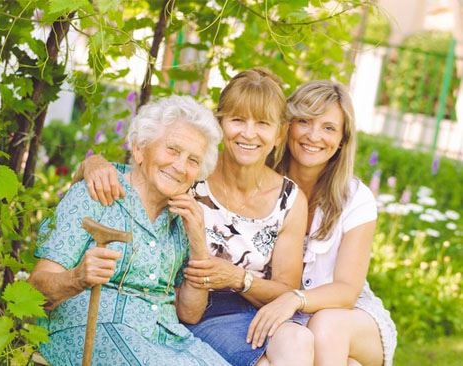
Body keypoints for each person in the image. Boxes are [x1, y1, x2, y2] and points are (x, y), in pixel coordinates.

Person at [78, 68, 310, 366]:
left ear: (279, 134)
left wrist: (238, 278)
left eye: (262, 124)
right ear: (221, 123)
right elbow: (134, 179)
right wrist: (91, 163)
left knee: (299, 340)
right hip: (191, 312)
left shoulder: (288, 199)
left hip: (256, 312)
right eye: (238, 120)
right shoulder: (191, 173)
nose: (249, 133)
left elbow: (285, 290)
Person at [30, 95, 230, 365]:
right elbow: (35, 289)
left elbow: (190, 314)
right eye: (172, 150)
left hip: (166, 340)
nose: (181, 166)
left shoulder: (184, 220)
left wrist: (198, 242)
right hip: (91, 328)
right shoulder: (95, 193)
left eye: (193, 160)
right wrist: (77, 278)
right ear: (139, 149)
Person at [246, 80, 397, 366]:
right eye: (304, 121)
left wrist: (294, 298)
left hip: (345, 315)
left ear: (342, 140)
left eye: (328, 128)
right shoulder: (260, 183)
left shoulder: (355, 198)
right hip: (278, 316)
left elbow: (346, 291)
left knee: (326, 326)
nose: (314, 136)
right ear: (287, 126)